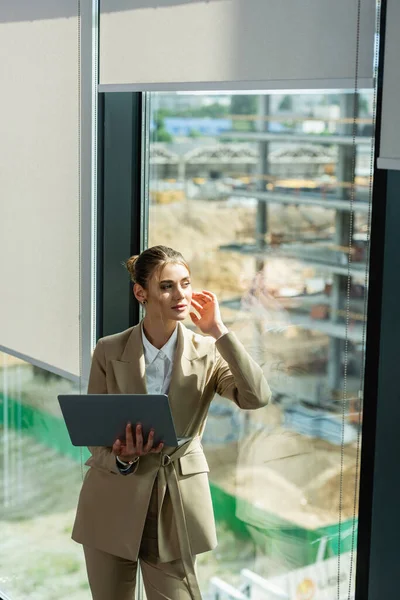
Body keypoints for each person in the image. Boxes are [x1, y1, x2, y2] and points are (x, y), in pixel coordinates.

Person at [72, 245, 271, 600]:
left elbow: (256, 396)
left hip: (174, 502)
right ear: (141, 293)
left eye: (186, 284)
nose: (180, 295)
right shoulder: (108, 350)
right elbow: (95, 438)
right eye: (167, 286)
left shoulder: (209, 352)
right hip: (112, 502)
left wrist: (220, 331)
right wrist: (122, 457)